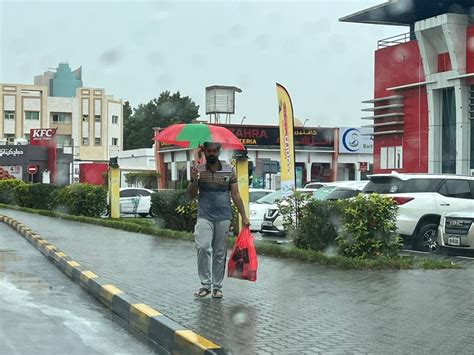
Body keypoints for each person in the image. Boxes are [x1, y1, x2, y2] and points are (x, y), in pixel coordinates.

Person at [187, 142, 250, 298]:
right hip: (204, 216)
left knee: (219, 253)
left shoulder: (229, 169)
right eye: (208, 151)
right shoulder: (198, 170)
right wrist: (194, 180)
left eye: (214, 151)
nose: (211, 154)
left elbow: (235, 195)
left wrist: (244, 216)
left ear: (219, 152)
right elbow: (190, 195)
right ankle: (205, 285)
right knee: (202, 247)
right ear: (204, 152)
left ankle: (217, 287)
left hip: (223, 217)